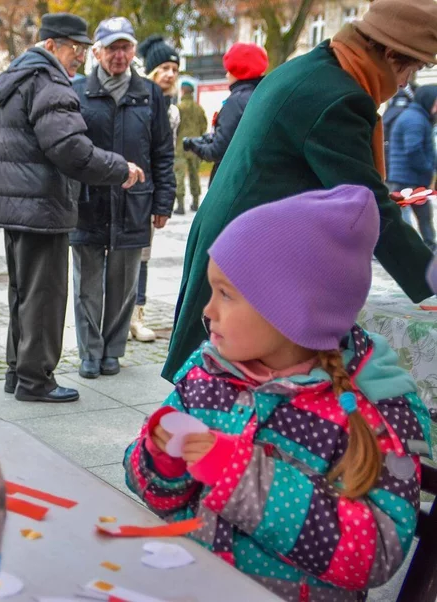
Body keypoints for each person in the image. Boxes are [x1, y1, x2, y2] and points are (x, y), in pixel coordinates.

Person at [126, 185, 430, 601]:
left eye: (226, 294)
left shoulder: (375, 410)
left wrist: (239, 475)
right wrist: (160, 460)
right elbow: (155, 496)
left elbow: (374, 553)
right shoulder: (209, 372)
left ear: (292, 310)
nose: (207, 310)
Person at [164, 0, 437, 382]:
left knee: (217, 377)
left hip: (236, 235)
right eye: (413, 69)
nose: (406, 82)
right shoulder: (340, 97)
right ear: (390, 54)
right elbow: (368, 206)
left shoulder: (316, 66)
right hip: (251, 255)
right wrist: (430, 281)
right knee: (227, 380)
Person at [0, 13, 143, 403]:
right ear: (52, 45)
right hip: (42, 206)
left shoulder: (19, 76)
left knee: (23, 293)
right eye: (74, 48)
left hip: (19, 205)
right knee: (43, 298)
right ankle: (36, 380)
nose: (79, 58)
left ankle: (18, 372)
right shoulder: (48, 80)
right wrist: (118, 168)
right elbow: (70, 148)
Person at [71, 17, 175, 379]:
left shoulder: (151, 94)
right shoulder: (78, 91)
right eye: (112, 47)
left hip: (135, 203)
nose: (119, 54)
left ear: (134, 51)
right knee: (87, 284)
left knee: (124, 282)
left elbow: (163, 151)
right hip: (88, 203)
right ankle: (90, 352)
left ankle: (112, 350)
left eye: (125, 47)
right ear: (97, 51)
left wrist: (164, 201)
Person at [128, 34, 180, 343]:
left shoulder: (173, 110)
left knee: (143, 256)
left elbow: (167, 157)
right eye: (163, 68)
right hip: (128, 185)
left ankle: (137, 315)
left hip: (151, 191)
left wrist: (164, 200)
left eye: (174, 68)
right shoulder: (139, 99)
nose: (170, 74)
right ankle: (119, 317)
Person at [182, 43, 267, 182]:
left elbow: (218, 151)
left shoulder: (236, 102)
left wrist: (193, 145)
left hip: (235, 182)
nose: (227, 75)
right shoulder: (264, 97)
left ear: (237, 71)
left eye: (229, 70)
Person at [388, 85, 437, 250]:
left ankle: (428, 245)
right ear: (428, 100)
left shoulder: (419, 117)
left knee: (423, 216)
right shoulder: (414, 119)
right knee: (401, 217)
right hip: (407, 179)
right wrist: (428, 168)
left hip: (412, 178)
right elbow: (413, 150)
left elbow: (426, 150)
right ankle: (403, 247)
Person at [175, 81, 207, 212]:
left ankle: (181, 205)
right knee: (195, 175)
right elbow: (204, 126)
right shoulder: (199, 108)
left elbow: (174, 126)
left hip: (180, 146)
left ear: (182, 91)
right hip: (195, 146)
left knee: (179, 175)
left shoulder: (178, 108)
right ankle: (195, 203)